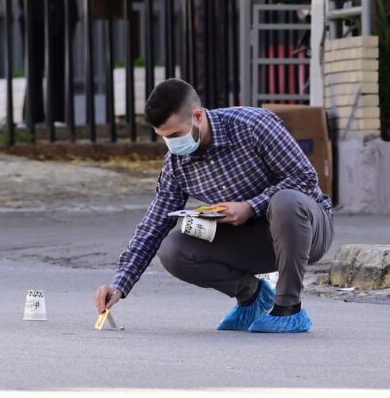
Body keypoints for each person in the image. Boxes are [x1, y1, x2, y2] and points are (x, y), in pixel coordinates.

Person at [94, 78, 334, 333]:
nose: (172, 145)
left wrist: (250, 207)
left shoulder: (253, 125)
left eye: (175, 135)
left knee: (285, 201)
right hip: (252, 241)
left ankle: (288, 308)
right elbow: (154, 224)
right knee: (173, 249)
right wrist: (119, 285)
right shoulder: (177, 164)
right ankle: (252, 295)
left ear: (198, 116)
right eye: (163, 138)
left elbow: (305, 178)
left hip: (305, 230)